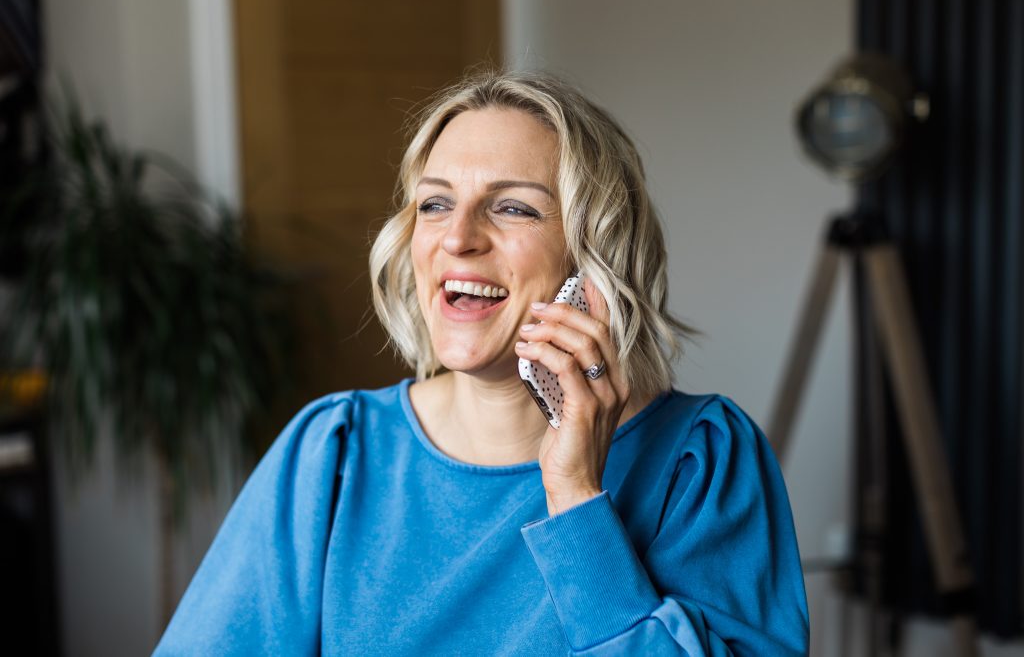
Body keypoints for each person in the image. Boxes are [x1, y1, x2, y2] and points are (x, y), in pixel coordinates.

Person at [155, 70, 809, 656]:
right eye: (435, 203)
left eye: (512, 206)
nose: (458, 237)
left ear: (593, 260)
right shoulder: (333, 453)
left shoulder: (701, 461)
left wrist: (577, 499)